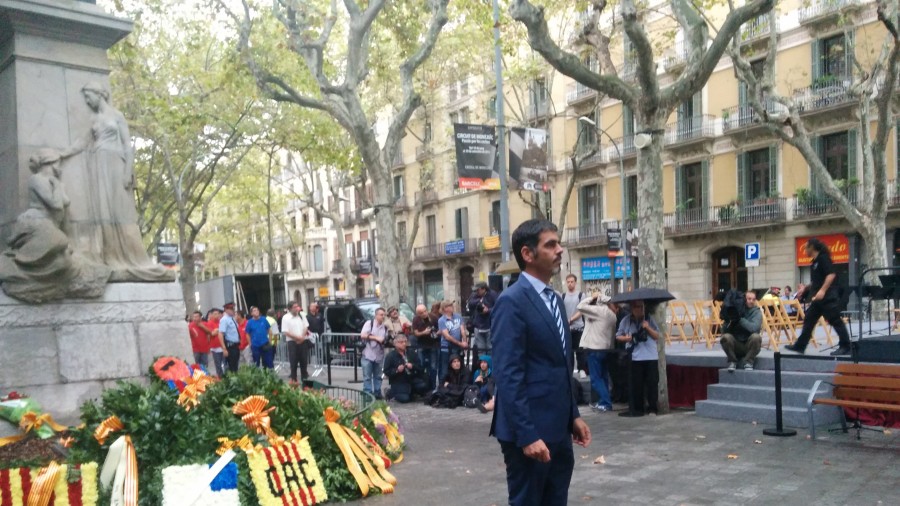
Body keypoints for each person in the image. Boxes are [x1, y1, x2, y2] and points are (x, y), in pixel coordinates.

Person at [490, 219, 591, 506]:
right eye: (551, 245)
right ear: (528, 254)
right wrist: (527, 435)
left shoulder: (555, 300)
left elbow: (560, 366)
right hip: (529, 432)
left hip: (558, 428)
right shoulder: (511, 301)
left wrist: (573, 415)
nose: (560, 250)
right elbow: (508, 374)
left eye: (559, 243)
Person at [62, 81, 172, 282]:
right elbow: (82, 143)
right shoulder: (94, 119)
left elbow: (127, 145)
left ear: (99, 94)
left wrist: (128, 171)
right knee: (104, 211)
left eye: (88, 97)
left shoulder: (117, 116)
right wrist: (62, 154)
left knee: (120, 211)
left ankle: (130, 255)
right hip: (98, 165)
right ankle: (109, 255)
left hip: (115, 164)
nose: (87, 101)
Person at [785, 238, 852, 356]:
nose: (805, 250)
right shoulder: (814, 262)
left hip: (827, 297)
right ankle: (800, 346)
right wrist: (805, 288)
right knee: (809, 319)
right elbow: (817, 280)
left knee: (835, 320)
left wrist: (822, 290)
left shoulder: (823, 258)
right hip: (818, 299)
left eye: (806, 247)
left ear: (812, 247)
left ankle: (846, 346)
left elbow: (831, 275)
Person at [615, 299, 661, 417]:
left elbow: (657, 336)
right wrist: (627, 339)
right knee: (637, 385)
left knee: (652, 384)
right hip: (635, 357)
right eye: (638, 307)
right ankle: (638, 408)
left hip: (650, 356)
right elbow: (618, 336)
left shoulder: (649, 319)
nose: (641, 309)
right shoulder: (626, 321)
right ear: (632, 308)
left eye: (642, 307)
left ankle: (652, 409)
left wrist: (647, 327)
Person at [576, 293, 618, 412]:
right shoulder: (612, 315)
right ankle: (603, 401)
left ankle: (605, 402)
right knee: (603, 377)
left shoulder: (599, 311)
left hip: (594, 348)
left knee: (595, 378)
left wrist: (592, 297)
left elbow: (580, 306)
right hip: (605, 348)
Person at [719, 291, 763, 371]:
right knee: (725, 337)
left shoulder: (756, 312)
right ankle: (732, 361)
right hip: (736, 344)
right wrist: (729, 320)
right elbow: (723, 332)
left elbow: (754, 328)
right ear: (744, 299)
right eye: (749, 299)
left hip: (749, 345)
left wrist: (739, 319)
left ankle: (749, 362)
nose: (751, 301)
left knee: (756, 337)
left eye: (753, 299)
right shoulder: (737, 309)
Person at [382, 334, 428, 402]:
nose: (404, 344)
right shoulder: (390, 356)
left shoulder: (411, 353)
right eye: (401, 342)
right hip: (399, 381)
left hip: (411, 378)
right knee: (405, 399)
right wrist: (397, 370)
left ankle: (412, 393)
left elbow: (420, 367)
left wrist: (412, 366)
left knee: (423, 386)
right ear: (395, 344)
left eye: (405, 342)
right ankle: (390, 392)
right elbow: (386, 371)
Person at [561, 274, 587, 378]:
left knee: (580, 350)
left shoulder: (581, 295)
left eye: (572, 282)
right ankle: (570, 370)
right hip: (567, 328)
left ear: (575, 283)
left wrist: (571, 319)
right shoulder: (563, 296)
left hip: (579, 327)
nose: (570, 284)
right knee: (569, 351)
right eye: (568, 282)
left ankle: (582, 369)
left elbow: (582, 310)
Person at [360, 307, 388, 399]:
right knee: (367, 376)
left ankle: (377, 393)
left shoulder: (385, 327)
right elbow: (363, 335)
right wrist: (376, 338)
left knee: (378, 376)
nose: (383, 316)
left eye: (384, 315)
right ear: (376, 315)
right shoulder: (369, 323)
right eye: (381, 315)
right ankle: (368, 394)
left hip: (379, 355)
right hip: (368, 354)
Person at [438, 300, 468, 381]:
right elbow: (447, 336)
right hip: (446, 347)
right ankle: (443, 384)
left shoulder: (458, 316)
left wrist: (464, 341)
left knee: (459, 367)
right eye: (450, 306)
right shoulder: (441, 320)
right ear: (445, 308)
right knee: (445, 368)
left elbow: (462, 330)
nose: (452, 307)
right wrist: (460, 343)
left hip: (457, 347)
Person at [412, 304, 440, 391]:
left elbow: (440, 329)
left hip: (433, 344)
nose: (424, 314)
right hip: (421, 344)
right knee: (421, 365)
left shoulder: (433, 317)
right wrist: (424, 332)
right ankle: (423, 386)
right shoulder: (416, 319)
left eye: (425, 311)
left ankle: (433, 386)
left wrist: (436, 333)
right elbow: (415, 333)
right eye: (421, 313)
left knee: (433, 366)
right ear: (418, 314)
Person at [282, 302, 310, 384]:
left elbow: (306, 327)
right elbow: (286, 331)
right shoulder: (286, 318)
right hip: (292, 342)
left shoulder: (301, 315)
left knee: (304, 362)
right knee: (293, 362)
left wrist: (302, 337)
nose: (297, 308)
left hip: (303, 341)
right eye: (294, 307)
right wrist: (297, 338)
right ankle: (294, 381)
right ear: (290, 308)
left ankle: (305, 382)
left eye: (297, 306)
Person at [466, 281, 496, 357]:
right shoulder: (475, 295)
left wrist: (488, 310)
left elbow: (498, 307)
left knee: (490, 349)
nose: (476, 291)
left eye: (478, 290)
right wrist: (479, 301)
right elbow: (470, 303)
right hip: (478, 326)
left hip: (489, 326)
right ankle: (482, 363)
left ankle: (490, 364)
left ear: (484, 289)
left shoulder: (492, 294)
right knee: (480, 349)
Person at [204, 308, 226, 377]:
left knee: (225, 363)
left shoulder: (221, 322)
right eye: (215, 314)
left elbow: (223, 332)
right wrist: (219, 331)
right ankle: (220, 377)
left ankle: (226, 376)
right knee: (218, 364)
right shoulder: (209, 323)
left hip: (223, 346)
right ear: (211, 315)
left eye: (218, 314)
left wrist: (217, 330)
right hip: (215, 348)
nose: (217, 315)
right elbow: (212, 333)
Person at [220, 303, 241, 373]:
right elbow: (220, 334)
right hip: (230, 346)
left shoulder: (232, 318)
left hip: (236, 345)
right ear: (226, 310)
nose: (233, 310)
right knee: (232, 367)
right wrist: (224, 348)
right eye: (231, 309)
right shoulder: (224, 320)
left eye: (233, 309)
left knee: (235, 366)